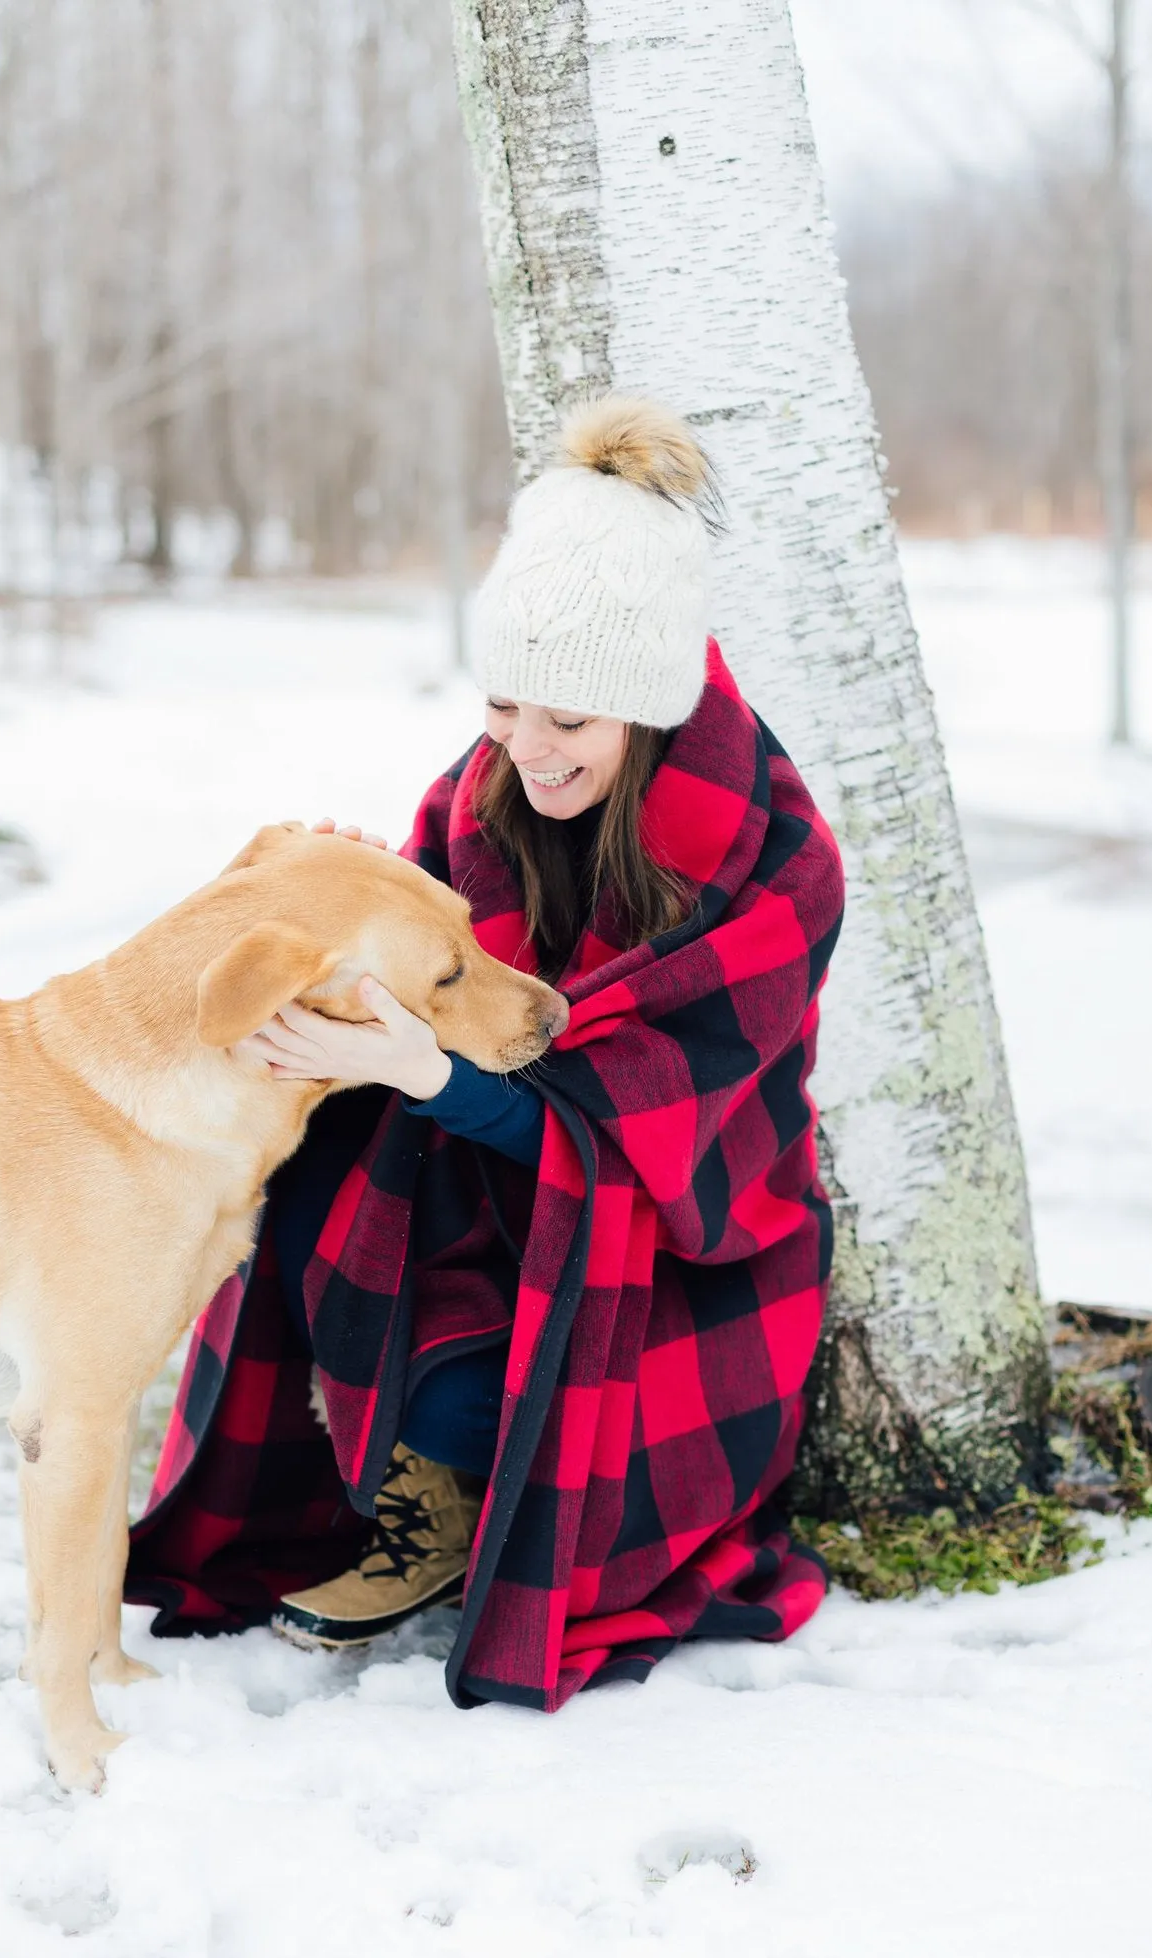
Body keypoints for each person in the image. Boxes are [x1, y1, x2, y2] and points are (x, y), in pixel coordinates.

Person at [125, 394, 845, 1710]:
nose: (528, 749)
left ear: (648, 707)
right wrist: (326, 926)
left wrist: (436, 1074)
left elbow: (643, 1149)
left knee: (501, 1418)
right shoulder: (490, 787)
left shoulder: (773, 870)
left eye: (569, 722)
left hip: (679, 1273)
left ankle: (468, 1490)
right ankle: (421, 1496)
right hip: (491, 1210)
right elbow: (421, 979)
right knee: (306, 1158)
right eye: (506, 704)